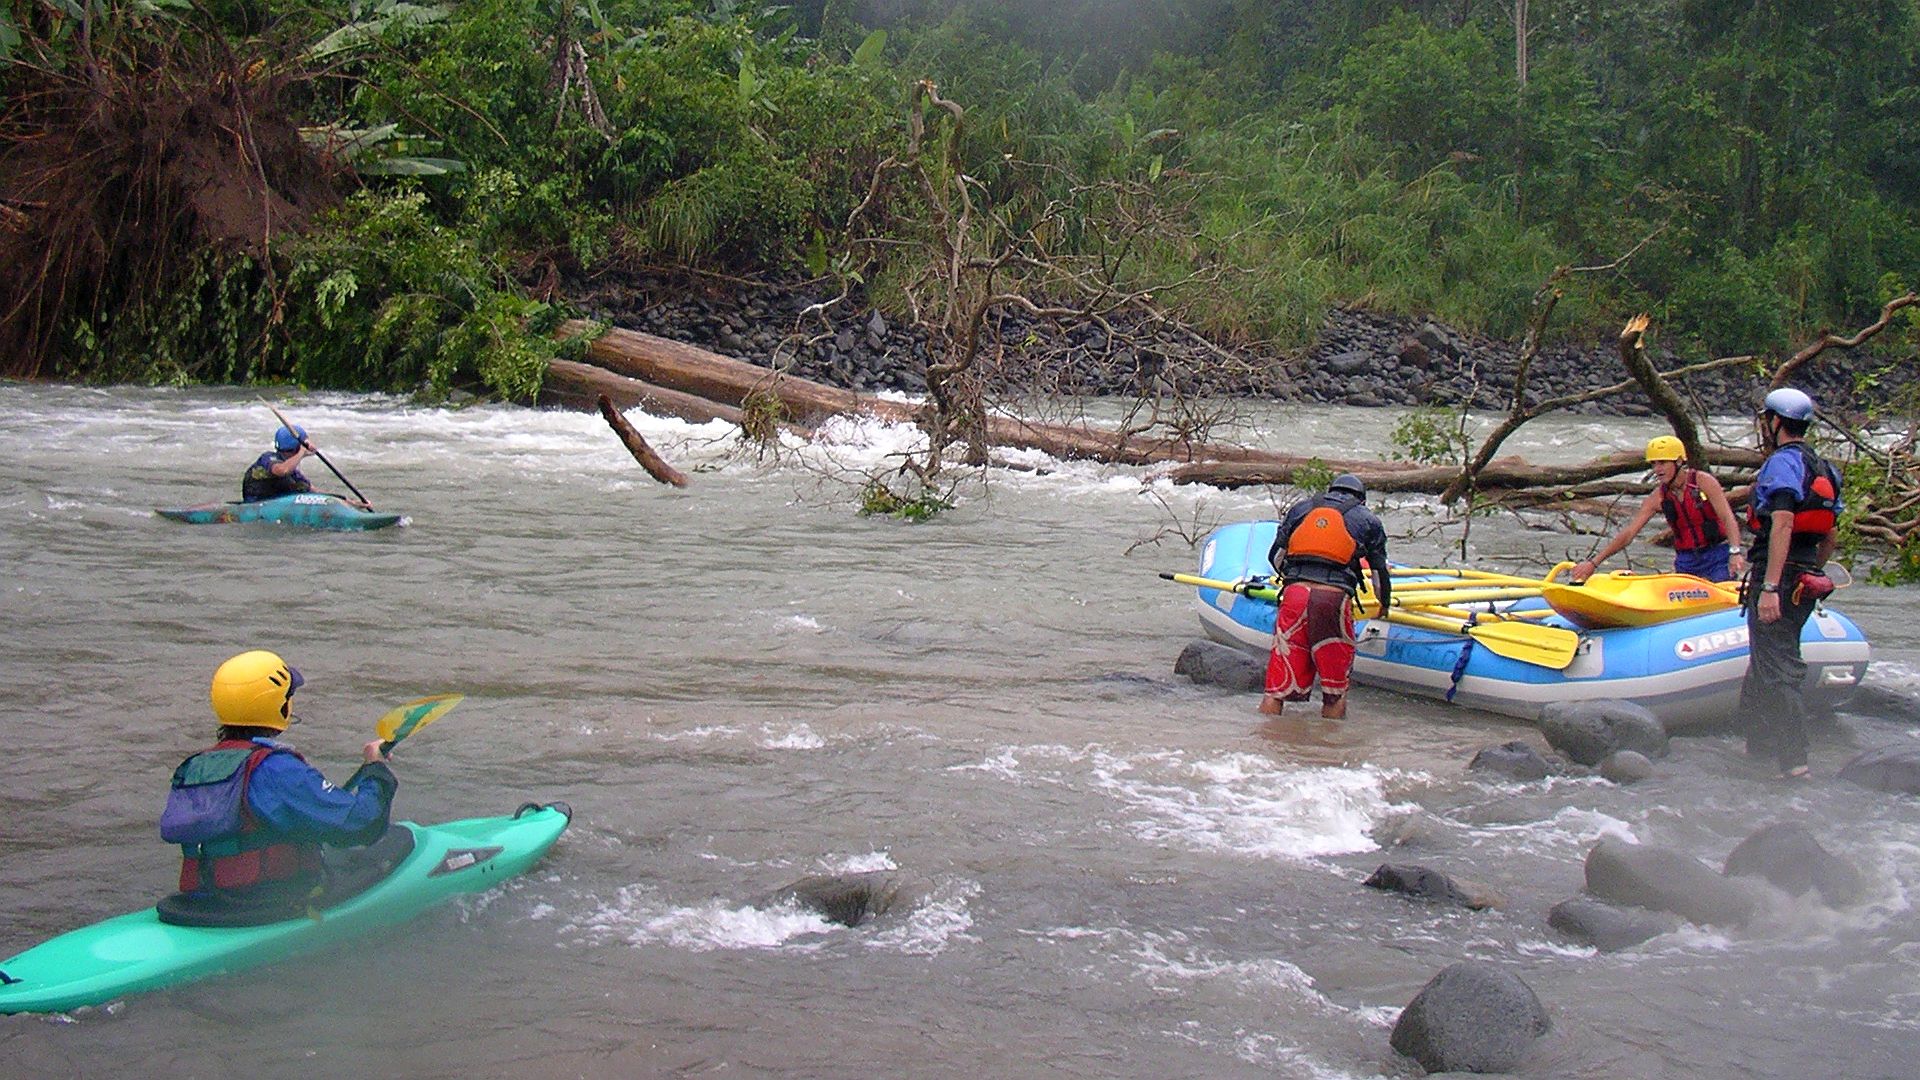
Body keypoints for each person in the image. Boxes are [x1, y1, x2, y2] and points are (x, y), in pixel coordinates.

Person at [160, 650, 398, 914]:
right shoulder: (276, 769)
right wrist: (376, 770)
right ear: (280, 706)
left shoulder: (196, 766)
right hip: (263, 904)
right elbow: (363, 825)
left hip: (203, 901)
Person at [1736, 388, 1842, 781]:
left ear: (1776, 423)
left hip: (1776, 576)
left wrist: (1771, 588)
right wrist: (1809, 572)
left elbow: (1782, 522)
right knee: (1767, 663)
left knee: (1777, 666)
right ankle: (1758, 748)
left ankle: (1795, 762)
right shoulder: (1827, 469)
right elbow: (1829, 535)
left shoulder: (1782, 464)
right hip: (1804, 574)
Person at [1258, 474, 1391, 720]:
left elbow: (1275, 557)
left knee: (1275, 690)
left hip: (1295, 596)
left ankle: (1267, 741)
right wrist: (1383, 606)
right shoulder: (1368, 520)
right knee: (1335, 691)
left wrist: (1292, 580)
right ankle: (1329, 748)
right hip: (1332, 600)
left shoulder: (1301, 509)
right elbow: (1378, 574)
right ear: (1361, 499)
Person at [1570, 435, 1746, 583]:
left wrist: (1735, 552)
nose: (1657, 469)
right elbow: (1629, 533)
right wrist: (1593, 563)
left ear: (1678, 461)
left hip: (1717, 556)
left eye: (1662, 463)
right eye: (1654, 464)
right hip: (1687, 561)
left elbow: (1727, 517)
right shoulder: (1657, 498)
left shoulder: (1703, 482)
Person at [241, 425, 368, 508]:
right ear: (297, 447)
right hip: (255, 505)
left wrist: (351, 504)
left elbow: (317, 494)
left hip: (279, 504)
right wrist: (302, 451)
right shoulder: (268, 458)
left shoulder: (294, 475)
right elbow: (281, 470)